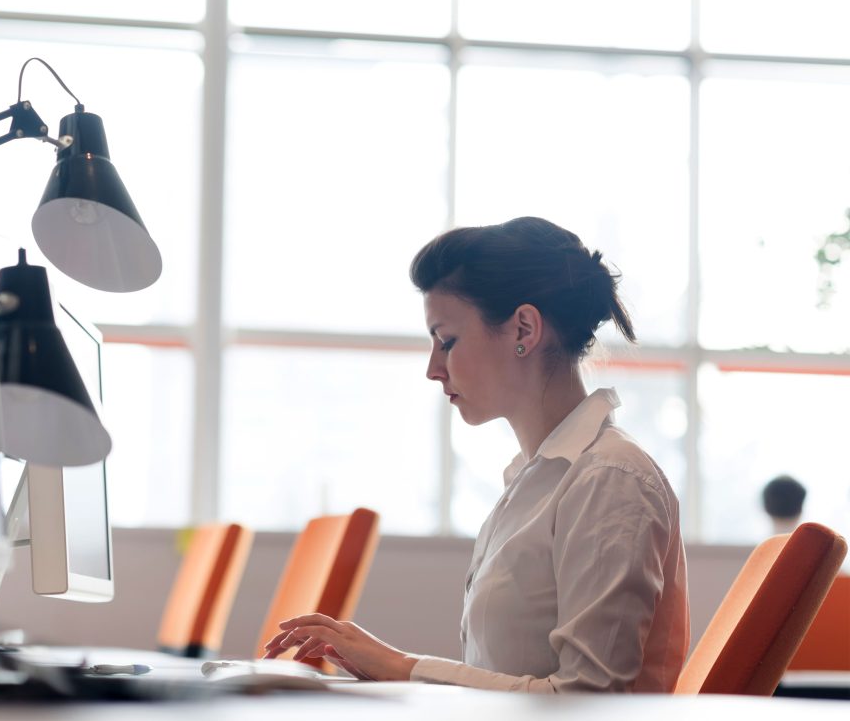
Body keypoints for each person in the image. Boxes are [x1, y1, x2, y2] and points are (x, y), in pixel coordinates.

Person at [264, 217, 690, 692]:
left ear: (524, 328)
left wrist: (404, 668)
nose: (433, 368)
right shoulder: (535, 480)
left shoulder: (609, 479)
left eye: (446, 341)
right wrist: (394, 671)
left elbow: (585, 702)